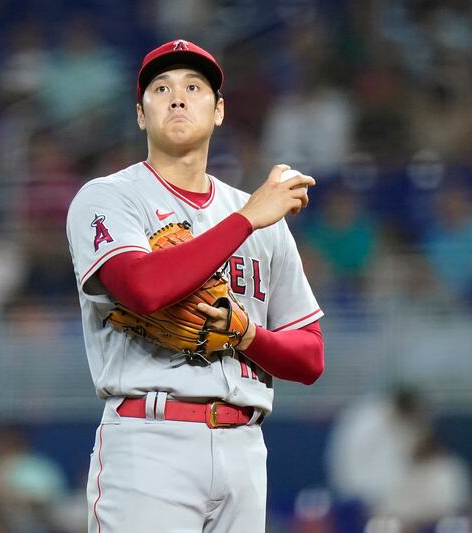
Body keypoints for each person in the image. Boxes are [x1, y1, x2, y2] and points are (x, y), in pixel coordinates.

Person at [65, 39, 325, 532]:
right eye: (160, 88)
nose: (178, 98)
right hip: (150, 440)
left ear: (219, 110)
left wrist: (247, 334)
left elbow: (310, 356)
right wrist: (248, 219)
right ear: (141, 115)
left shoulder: (260, 215)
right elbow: (141, 288)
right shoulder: (108, 198)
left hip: (244, 446)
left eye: (193, 87)